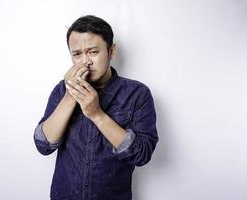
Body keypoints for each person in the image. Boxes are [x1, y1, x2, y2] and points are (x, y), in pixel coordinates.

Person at [33, 15, 159, 200]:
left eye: (93, 52)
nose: (85, 62)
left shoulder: (137, 94)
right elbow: (44, 145)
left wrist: (97, 114)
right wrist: (70, 96)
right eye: (77, 54)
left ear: (112, 51)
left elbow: (142, 154)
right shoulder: (62, 90)